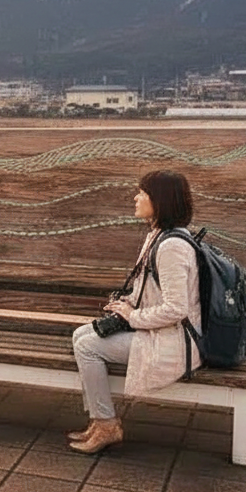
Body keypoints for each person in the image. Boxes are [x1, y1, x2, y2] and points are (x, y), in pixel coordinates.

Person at [67, 170, 203, 454]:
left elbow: (177, 309)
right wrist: (126, 303)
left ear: (160, 200)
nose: (136, 197)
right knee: (81, 334)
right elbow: (151, 292)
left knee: (88, 346)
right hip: (159, 333)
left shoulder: (172, 247)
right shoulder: (157, 236)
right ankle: (99, 419)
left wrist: (132, 316)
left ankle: (107, 424)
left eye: (142, 192)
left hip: (173, 343)